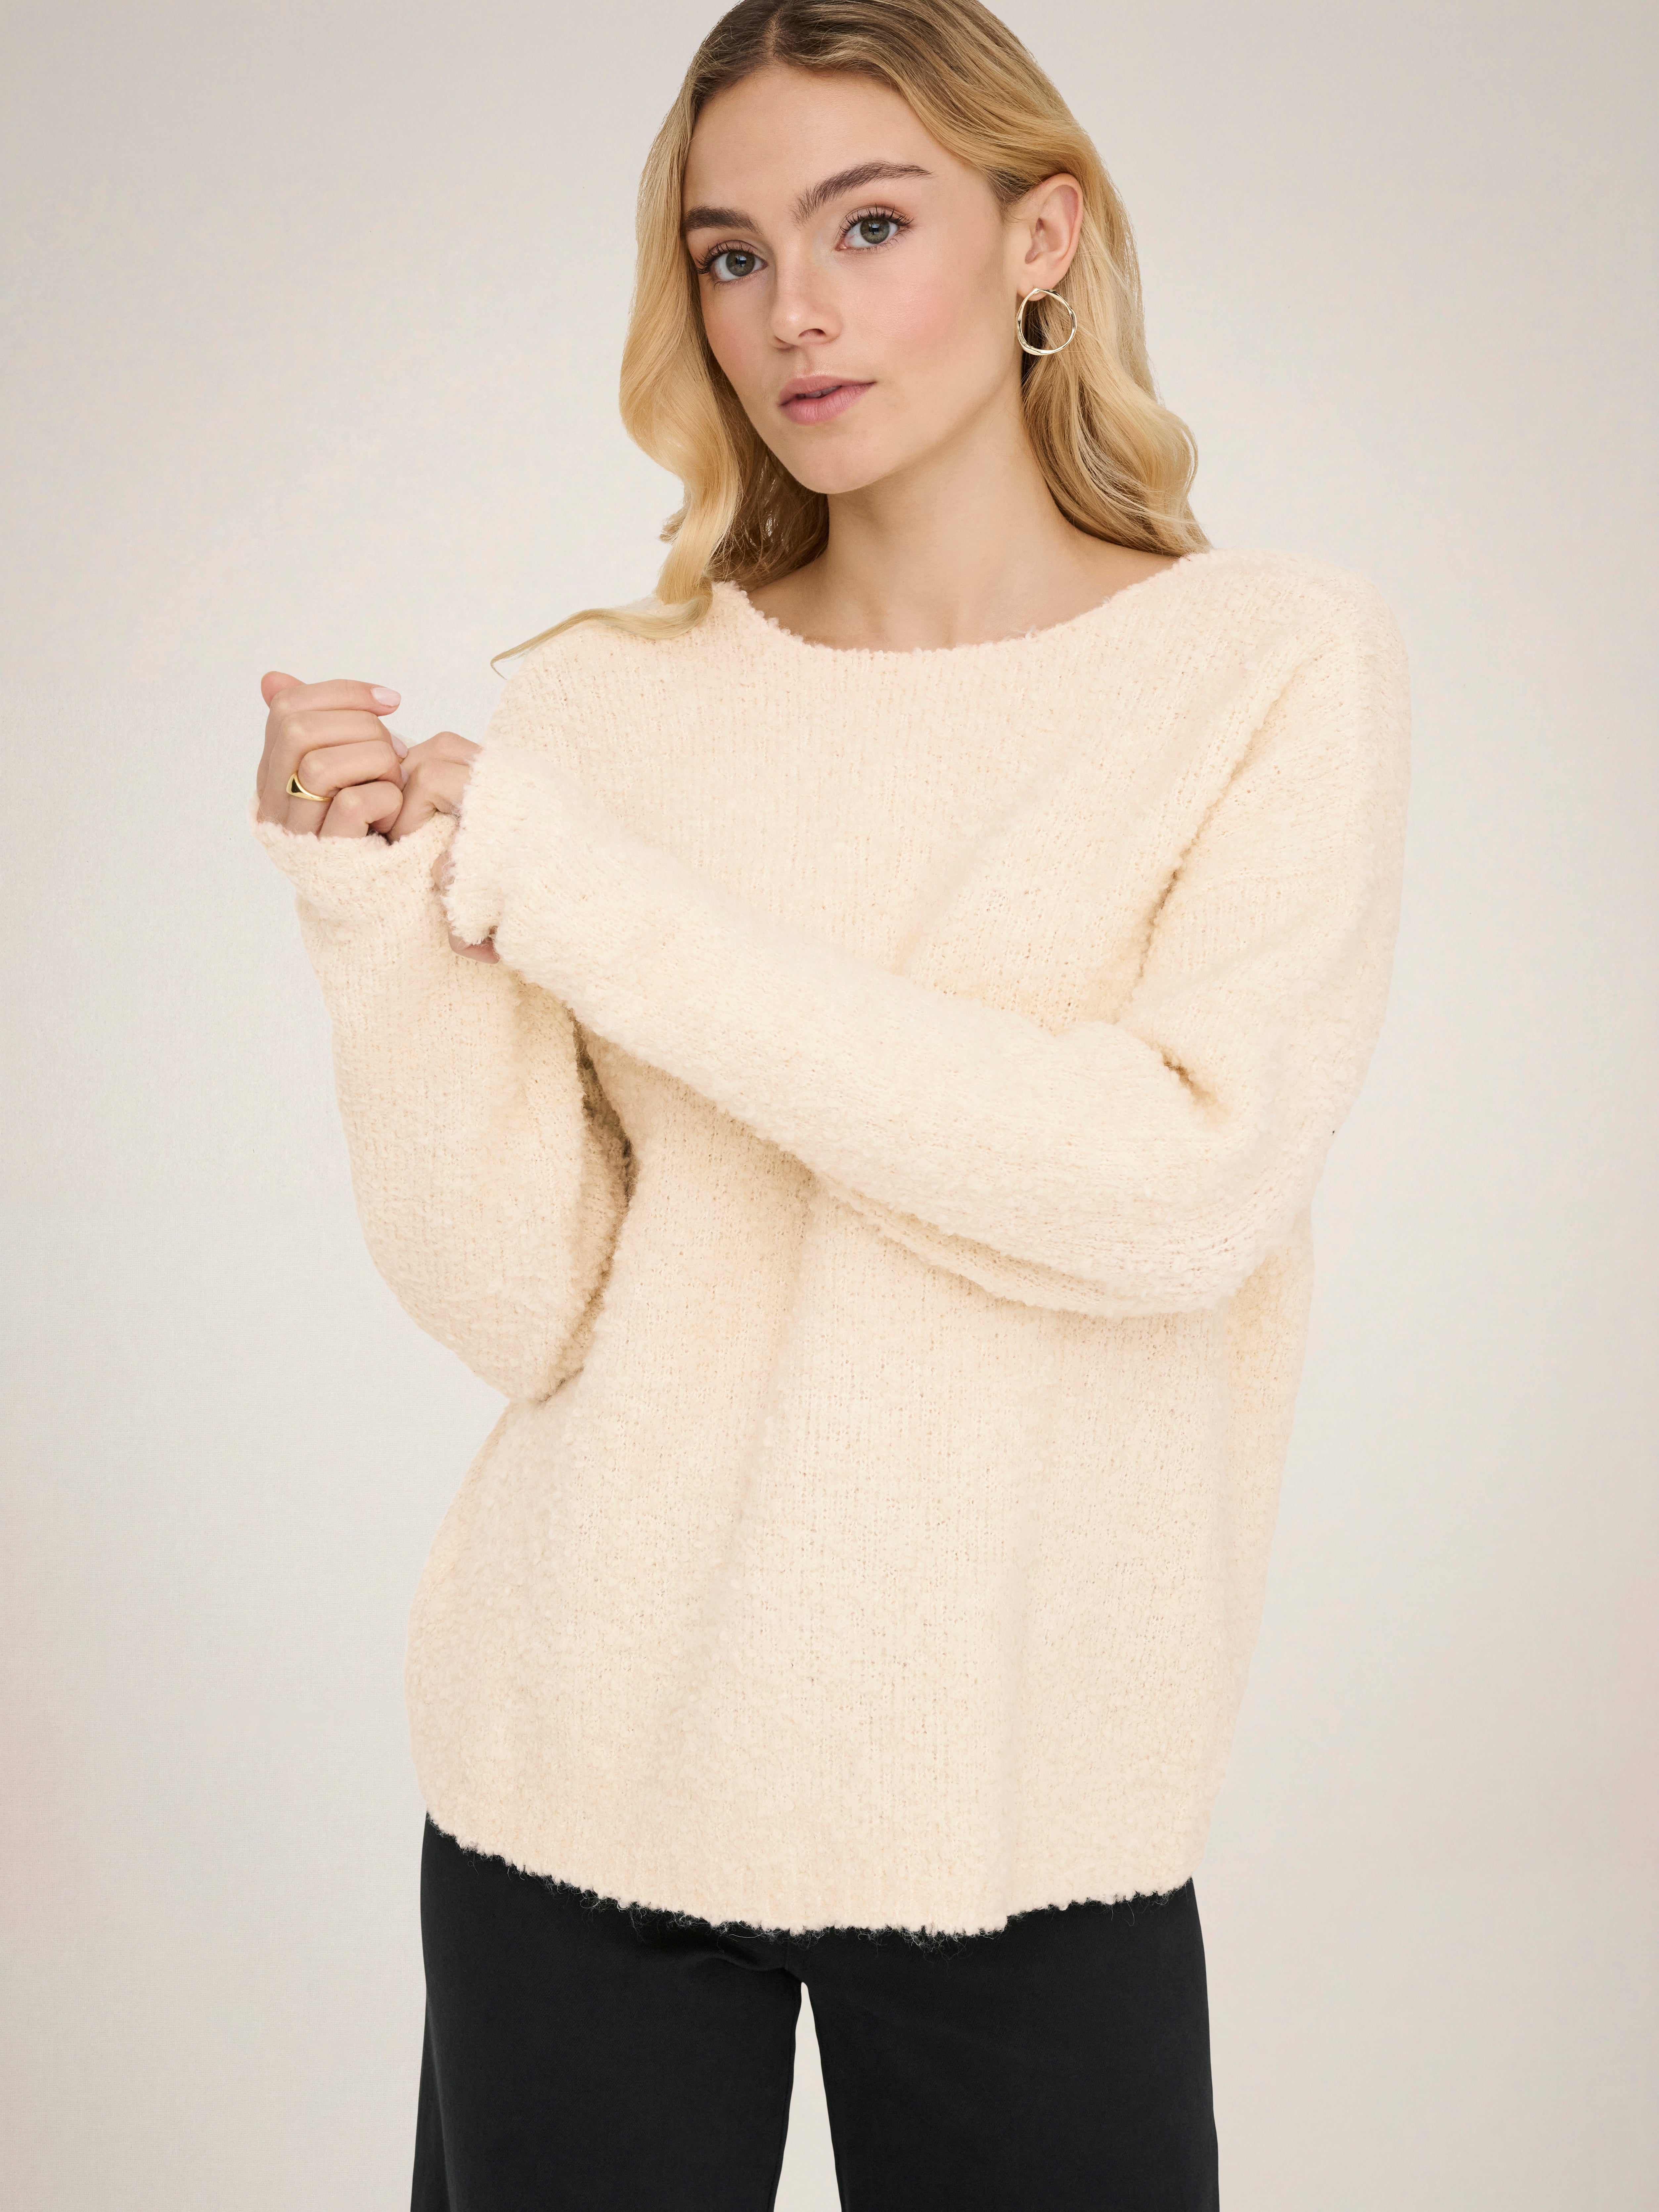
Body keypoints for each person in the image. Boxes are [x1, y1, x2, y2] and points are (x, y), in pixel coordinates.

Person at [248, 1, 1411, 2204]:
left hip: (1024, 1800)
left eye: (866, 225)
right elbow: (524, 1303)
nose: (791, 309)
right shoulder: (600, 708)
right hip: (580, 1764)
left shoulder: (1261, 664)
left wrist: (596, 909)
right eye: (729, 253)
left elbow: (1176, 1185)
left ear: (1040, 235)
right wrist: (377, 921)